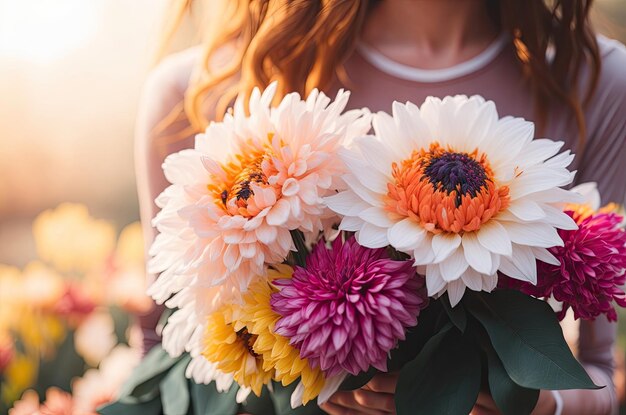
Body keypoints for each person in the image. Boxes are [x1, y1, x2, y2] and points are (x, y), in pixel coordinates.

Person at [135, 0, 626, 413]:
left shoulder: (595, 85)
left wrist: (536, 403)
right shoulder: (201, 93)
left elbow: (600, 371)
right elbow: (164, 357)